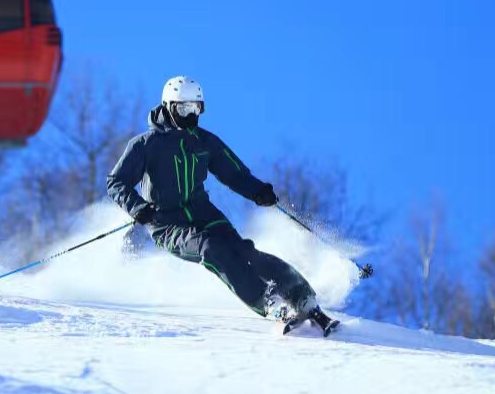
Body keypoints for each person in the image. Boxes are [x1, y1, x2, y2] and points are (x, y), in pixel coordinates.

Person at [106, 76, 337, 333]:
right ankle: (268, 303)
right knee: (212, 249)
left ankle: (301, 296)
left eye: (196, 108)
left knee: (245, 252)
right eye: (184, 109)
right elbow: (116, 182)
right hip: (166, 223)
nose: (191, 115)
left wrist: (258, 191)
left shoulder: (205, 141)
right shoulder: (146, 145)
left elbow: (234, 173)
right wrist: (138, 207)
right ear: (169, 107)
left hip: (204, 213)